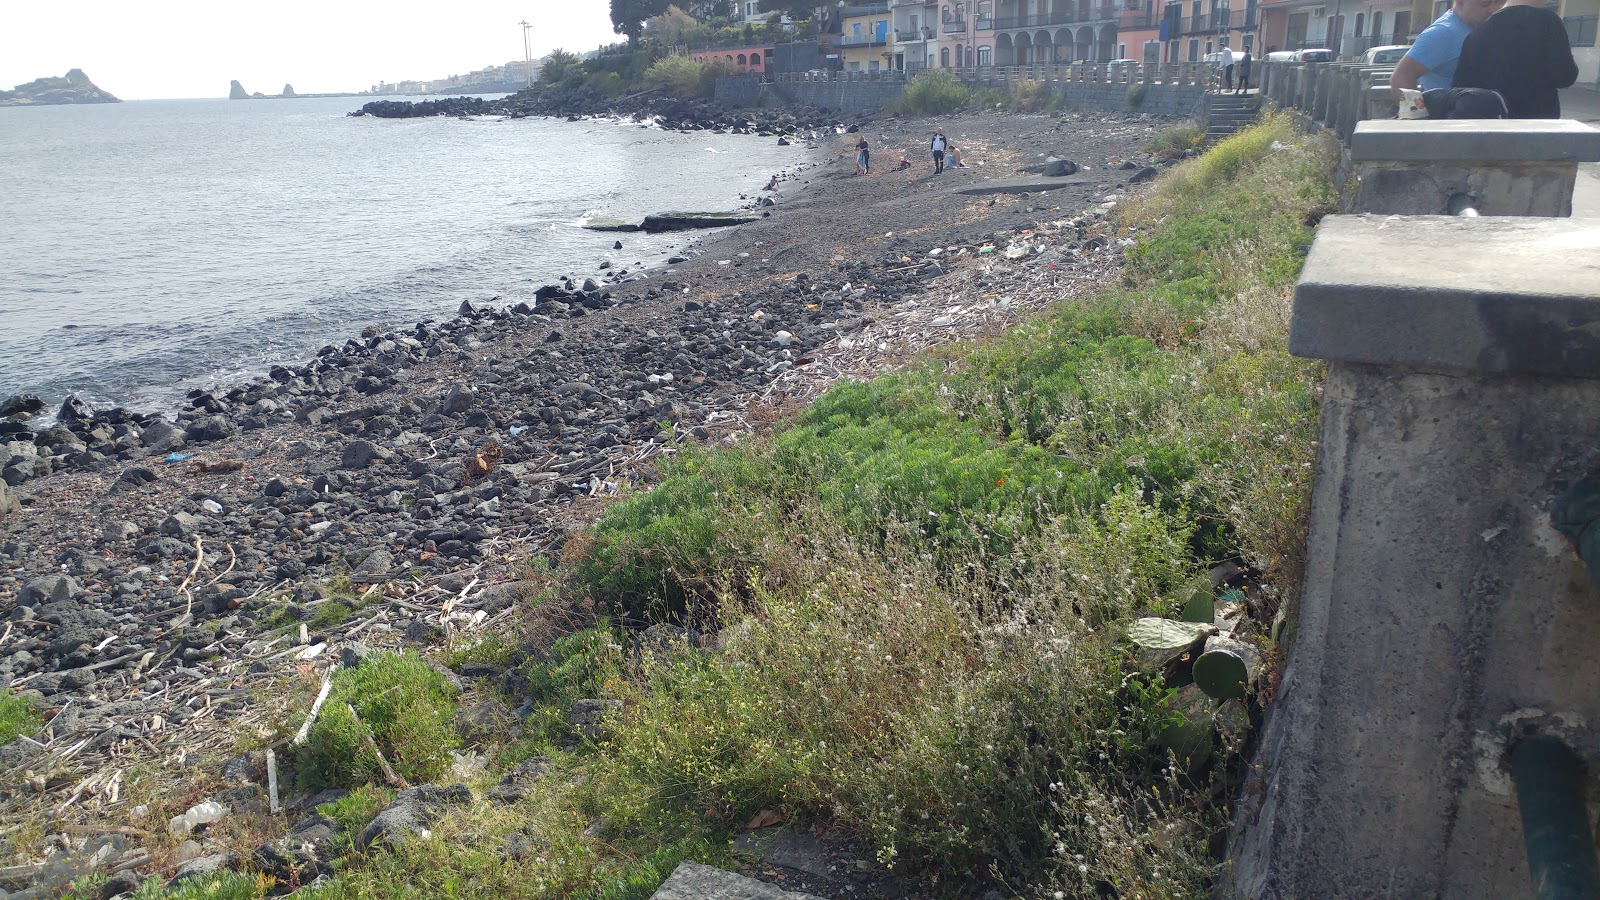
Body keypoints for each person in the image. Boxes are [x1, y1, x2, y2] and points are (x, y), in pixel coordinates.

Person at [1452, 0, 1578, 118]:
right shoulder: (1549, 22)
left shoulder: (1477, 33)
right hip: (1538, 123)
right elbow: (1565, 77)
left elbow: (1460, 87)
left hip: (1490, 124)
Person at [1391, 0, 1505, 99]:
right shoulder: (1443, 33)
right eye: (1484, 4)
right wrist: (1419, 118)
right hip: (1450, 118)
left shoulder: (1478, 28)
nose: (1492, 9)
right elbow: (1401, 77)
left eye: (1497, 1)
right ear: (1460, 2)